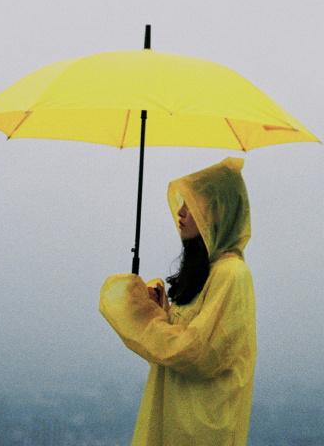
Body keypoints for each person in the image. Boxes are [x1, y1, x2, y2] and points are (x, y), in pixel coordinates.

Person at [99, 157, 257, 446]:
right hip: (175, 419)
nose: (181, 212)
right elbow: (185, 340)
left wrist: (145, 318)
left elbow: (198, 353)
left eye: (192, 204)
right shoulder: (209, 271)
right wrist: (163, 312)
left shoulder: (232, 273)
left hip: (201, 431)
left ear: (219, 211)